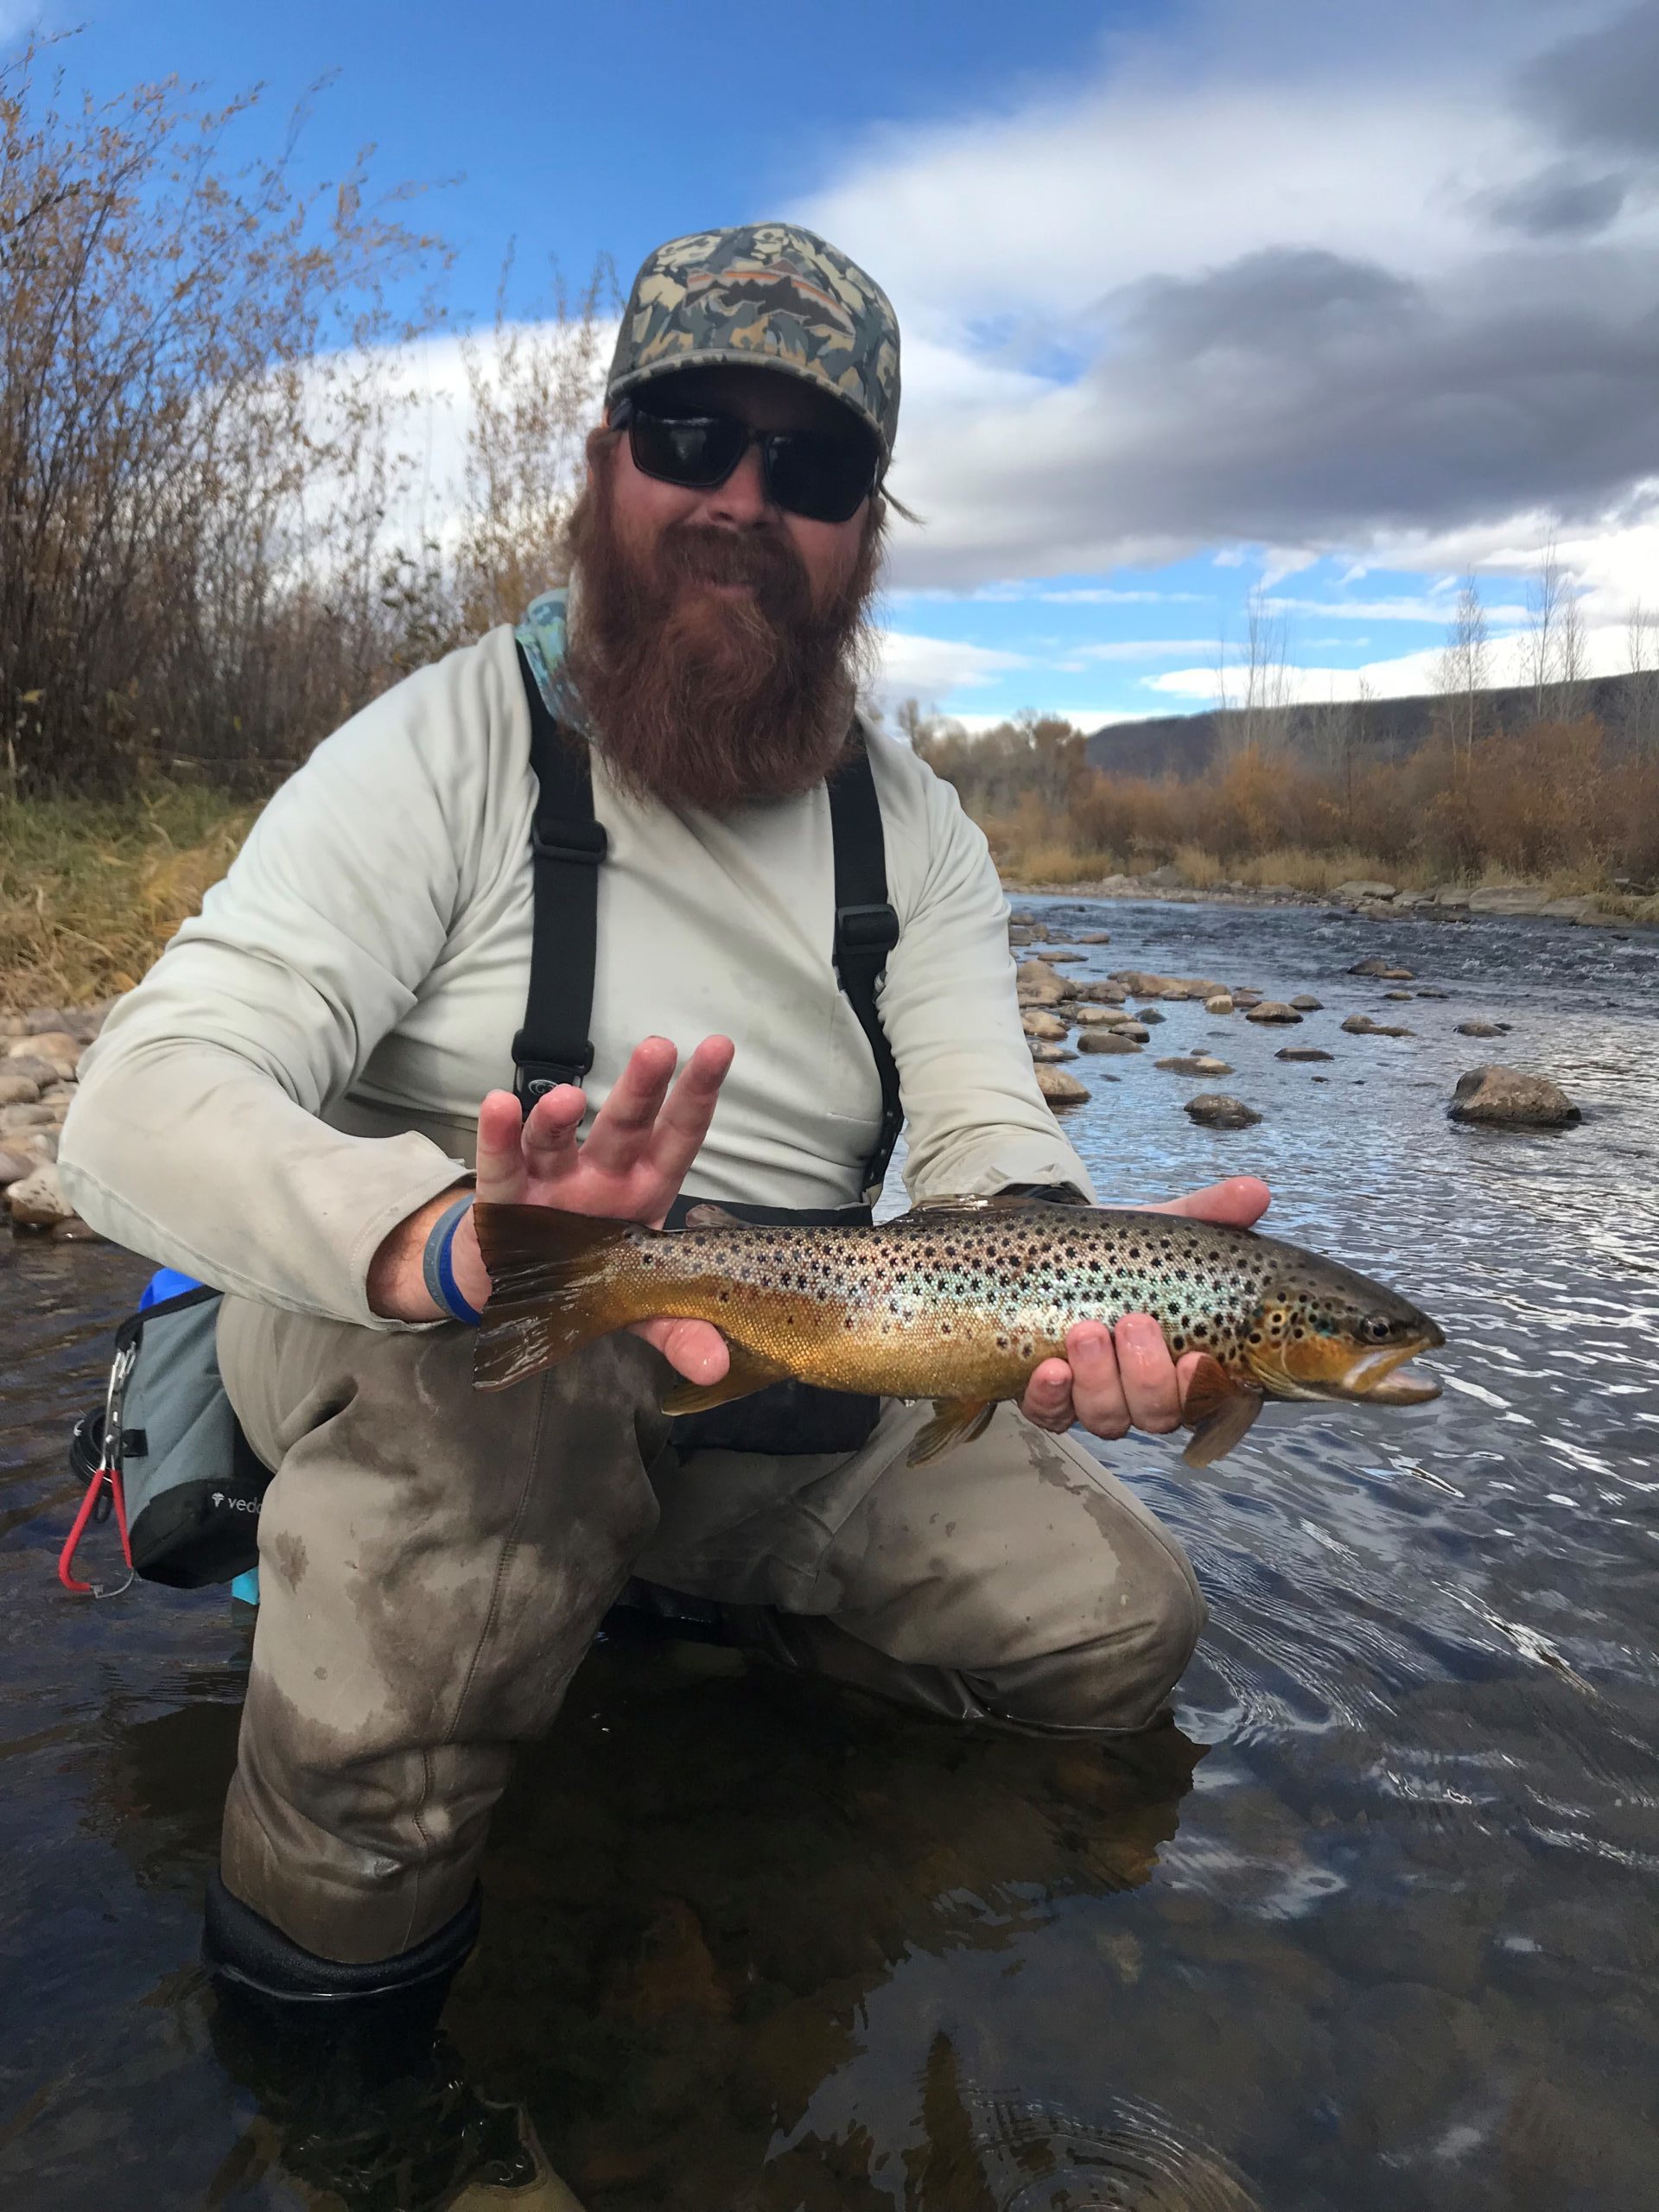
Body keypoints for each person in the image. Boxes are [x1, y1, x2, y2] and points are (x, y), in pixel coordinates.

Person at [60, 223, 1266, 2033]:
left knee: (1114, 1632)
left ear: (870, 529)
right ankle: (331, 2044)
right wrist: (450, 1236)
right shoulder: (447, 748)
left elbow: (993, 1151)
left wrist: (1091, 1299)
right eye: (692, 433)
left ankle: (681, 1751)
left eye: (818, 463)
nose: (742, 499)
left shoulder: (918, 835)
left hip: (784, 1346)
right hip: (449, 1320)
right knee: (529, 1417)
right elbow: (134, 1098)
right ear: (607, 460)